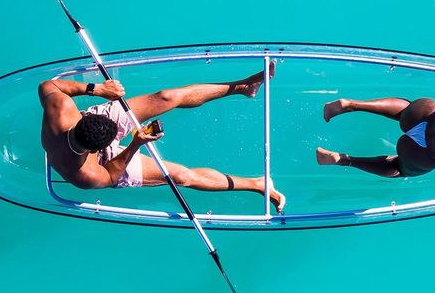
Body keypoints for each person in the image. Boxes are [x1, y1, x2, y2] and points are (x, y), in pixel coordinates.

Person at [39, 63, 286, 212]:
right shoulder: (85, 175)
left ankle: (243, 87)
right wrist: (136, 143)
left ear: (84, 117)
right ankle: (257, 184)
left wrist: (97, 90)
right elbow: (113, 174)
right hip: (106, 165)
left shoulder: (61, 110)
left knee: (167, 96)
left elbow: (48, 85)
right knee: (182, 176)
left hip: (87, 135)